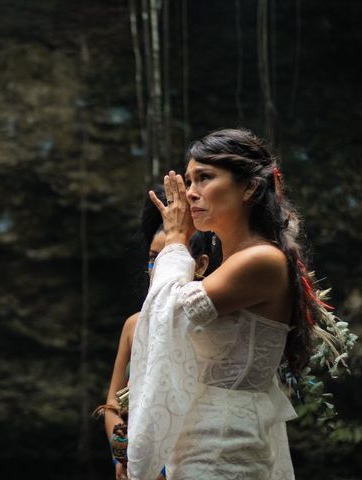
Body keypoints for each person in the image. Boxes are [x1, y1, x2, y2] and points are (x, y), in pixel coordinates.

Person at [126, 128, 336, 479]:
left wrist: (177, 240)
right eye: (189, 180)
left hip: (224, 441)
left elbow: (171, 313)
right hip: (204, 436)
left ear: (250, 187)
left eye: (205, 178)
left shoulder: (261, 259)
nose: (191, 193)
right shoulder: (236, 261)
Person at [102, 188, 219, 480]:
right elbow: (112, 405)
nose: (157, 267)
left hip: (190, 456)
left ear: (201, 264)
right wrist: (124, 456)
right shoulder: (133, 325)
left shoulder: (212, 324)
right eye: (153, 258)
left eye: (168, 256)